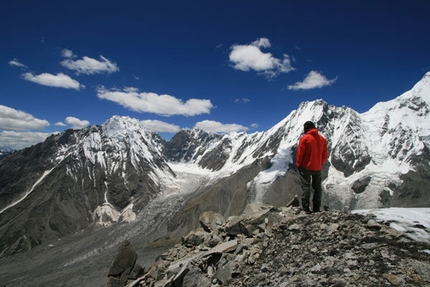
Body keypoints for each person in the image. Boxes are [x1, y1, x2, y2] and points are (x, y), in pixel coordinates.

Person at [296, 121, 328, 213]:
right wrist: (320, 163)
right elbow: (325, 154)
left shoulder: (305, 139)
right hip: (317, 167)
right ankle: (316, 208)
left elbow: (300, 154)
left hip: (305, 167)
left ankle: (306, 208)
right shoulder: (322, 139)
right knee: (317, 188)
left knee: (306, 187)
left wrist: (298, 164)